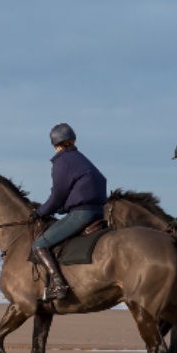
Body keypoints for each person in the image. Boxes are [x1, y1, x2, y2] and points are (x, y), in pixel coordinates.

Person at [32, 123, 107, 303]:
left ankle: (59, 284)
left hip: (82, 213)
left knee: (39, 246)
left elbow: (58, 194)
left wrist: (40, 212)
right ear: (73, 140)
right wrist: (62, 208)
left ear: (55, 144)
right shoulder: (81, 159)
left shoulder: (62, 162)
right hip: (98, 211)